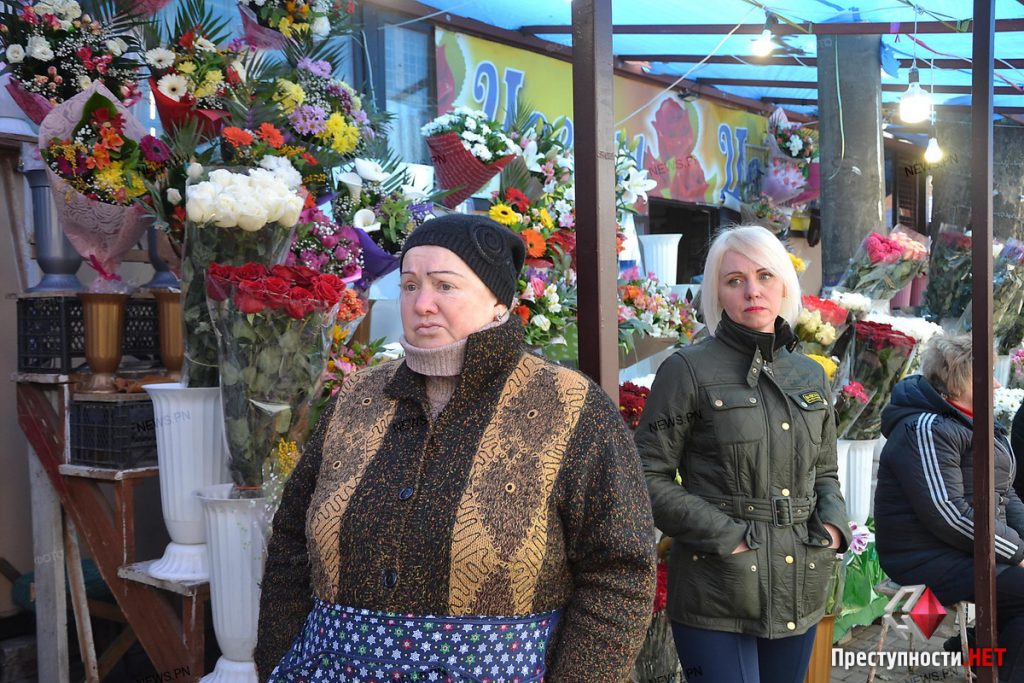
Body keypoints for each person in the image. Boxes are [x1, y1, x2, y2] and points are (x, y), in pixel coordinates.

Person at [254, 213, 656, 682]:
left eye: (444, 286)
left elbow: (619, 571)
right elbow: (290, 546)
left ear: (497, 303)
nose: (422, 304)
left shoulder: (569, 407)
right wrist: (277, 662)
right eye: (409, 286)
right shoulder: (359, 398)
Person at [636, 225, 851, 683]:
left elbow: (825, 470)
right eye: (735, 280)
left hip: (799, 576)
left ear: (785, 284)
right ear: (717, 291)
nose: (752, 290)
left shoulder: (810, 375)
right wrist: (728, 536)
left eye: (765, 276)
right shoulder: (687, 370)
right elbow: (646, 475)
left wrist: (831, 527)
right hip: (717, 583)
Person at [874, 334, 1024, 682]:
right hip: (922, 556)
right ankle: (986, 655)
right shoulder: (925, 427)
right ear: (957, 381)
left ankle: (980, 649)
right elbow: (948, 513)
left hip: (967, 549)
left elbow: (1008, 496)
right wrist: (1016, 553)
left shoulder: (979, 422)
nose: (999, 383)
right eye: (987, 375)